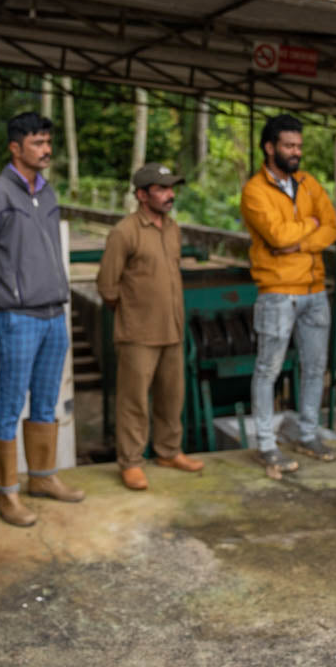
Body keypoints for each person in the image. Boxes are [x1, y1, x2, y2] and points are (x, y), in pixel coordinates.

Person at [0, 112, 81, 525]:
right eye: (37, 143)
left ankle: (43, 477)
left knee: (46, 402)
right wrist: (1, 299)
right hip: (18, 318)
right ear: (15, 147)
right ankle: (7, 494)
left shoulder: (48, 193)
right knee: (11, 404)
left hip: (53, 315)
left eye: (48, 141)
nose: (46, 149)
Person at [239, 114, 336, 475]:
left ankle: (307, 433)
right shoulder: (254, 191)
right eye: (289, 146)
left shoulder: (309, 184)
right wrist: (305, 230)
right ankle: (266, 444)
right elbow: (276, 237)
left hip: (315, 291)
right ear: (270, 148)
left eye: (298, 146)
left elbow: (331, 227)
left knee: (315, 367)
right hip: (278, 292)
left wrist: (301, 237)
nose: (296, 152)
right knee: (268, 369)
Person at [96, 163, 205, 490]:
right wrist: (133, 312)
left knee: (173, 396)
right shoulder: (124, 232)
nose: (170, 195)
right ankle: (130, 462)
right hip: (137, 333)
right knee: (134, 402)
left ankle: (169, 451)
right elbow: (107, 286)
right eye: (162, 189)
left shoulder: (172, 228)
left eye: (172, 188)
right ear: (142, 195)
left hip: (172, 329)